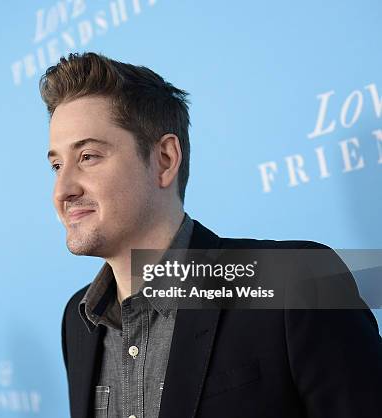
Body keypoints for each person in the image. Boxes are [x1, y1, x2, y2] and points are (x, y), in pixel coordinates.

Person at [40, 52, 382, 418]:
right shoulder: (78, 321)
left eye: (88, 156)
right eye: (57, 165)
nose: (63, 190)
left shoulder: (297, 282)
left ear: (166, 160)